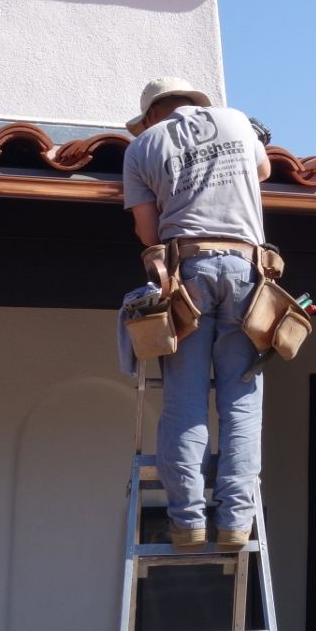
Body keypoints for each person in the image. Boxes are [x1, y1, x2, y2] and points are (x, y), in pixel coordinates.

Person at [122, 76, 271, 552]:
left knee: (185, 403)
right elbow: (263, 171)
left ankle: (187, 523)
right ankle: (234, 523)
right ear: (195, 103)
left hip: (186, 274)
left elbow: (147, 232)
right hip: (249, 271)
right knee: (241, 402)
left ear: (150, 116)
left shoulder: (143, 146)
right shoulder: (237, 122)